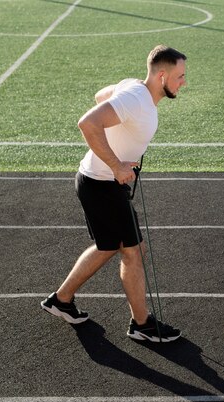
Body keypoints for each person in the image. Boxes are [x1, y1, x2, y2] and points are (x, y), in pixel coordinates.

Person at [41, 45, 187, 343]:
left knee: (114, 247)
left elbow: (101, 96)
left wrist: (118, 148)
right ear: (162, 76)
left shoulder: (134, 89)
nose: (183, 82)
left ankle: (62, 299)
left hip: (102, 184)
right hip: (100, 184)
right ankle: (142, 325)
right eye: (179, 76)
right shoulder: (136, 98)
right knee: (131, 251)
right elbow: (88, 122)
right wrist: (116, 164)